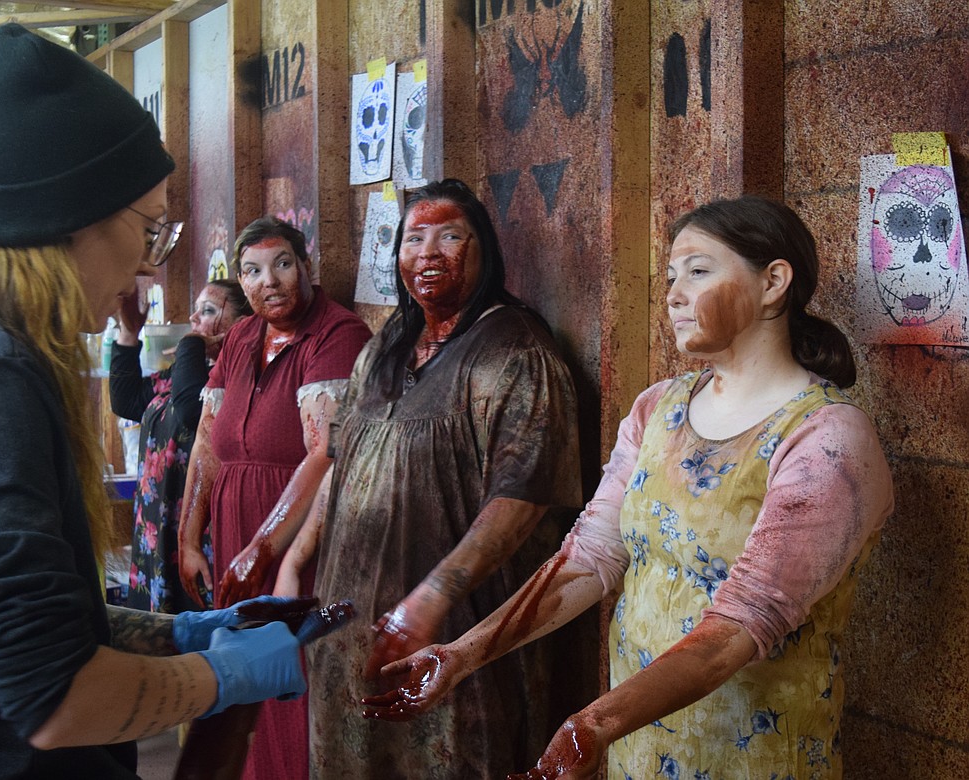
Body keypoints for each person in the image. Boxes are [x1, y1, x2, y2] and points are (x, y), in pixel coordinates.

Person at [0, 24, 321, 778]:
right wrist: (221, 677)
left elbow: (26, 624)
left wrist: (180, 634)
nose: (147, 265)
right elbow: (54, 698)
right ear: (72, 219)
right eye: (148, 229)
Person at [363, 195, 895, 780]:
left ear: (773, 283)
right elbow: (590, 556)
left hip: (752, 755)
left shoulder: (827, 436)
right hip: (636, 747)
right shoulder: (658, 407)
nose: (674, 295)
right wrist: (463, 654)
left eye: (697, 271)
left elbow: (739, 626)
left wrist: (595, 722)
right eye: (670, 277)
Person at [278, 178, 585, 778]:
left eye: (450, 237)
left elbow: (523, 500)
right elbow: (341, 462)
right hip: (351, 625)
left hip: (452, 632)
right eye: (414, 238)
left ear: (484, 250)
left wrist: (433, 596)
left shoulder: (515, 352)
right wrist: (292, 560)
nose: (428, 253)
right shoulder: (384, 346)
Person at [176, 216, 372, 778]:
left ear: (305, 266)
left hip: (301, 535)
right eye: (253, 271)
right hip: (234, 527)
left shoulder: (336, 334)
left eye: (283, 264)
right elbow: (207, 442)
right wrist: (188, 537)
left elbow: (324, 452)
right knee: (243, 671)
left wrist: (264, 547)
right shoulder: (241, 336)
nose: (271, 281)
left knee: (294, 670)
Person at [109, 280, 252, 613]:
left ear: (242, 325)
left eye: (208, 311)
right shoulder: (188, 370)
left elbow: (190, 411)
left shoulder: (237, 376)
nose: (194, 318)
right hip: (158, 526)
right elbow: (127, 400)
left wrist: (190, 344)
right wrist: (128, 333)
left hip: (199, 526)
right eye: (196, 309)